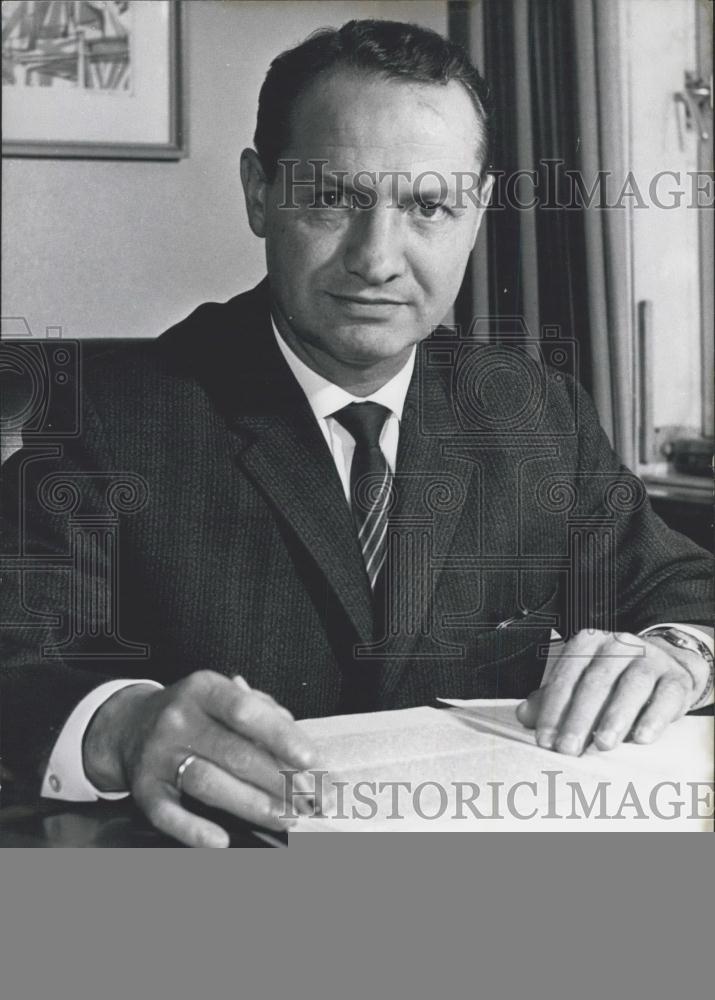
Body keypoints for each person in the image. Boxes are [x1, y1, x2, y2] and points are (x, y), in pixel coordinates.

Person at [1, 20, 712, 847]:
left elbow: (684, 589)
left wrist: (675, 652)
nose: (378, 258)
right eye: (335, 198)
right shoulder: (113, 417)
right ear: (259, 193)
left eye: (427, 207)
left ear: (475, 215)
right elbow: (15, 658)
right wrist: (123, 726)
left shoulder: (530, 411)